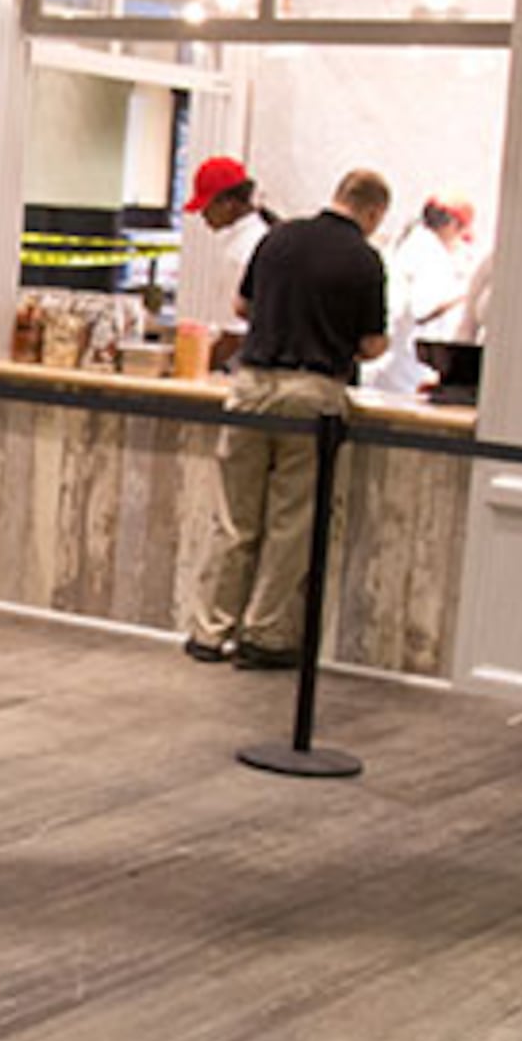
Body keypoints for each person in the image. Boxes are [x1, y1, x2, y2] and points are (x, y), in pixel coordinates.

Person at [184, 167, 393, 670]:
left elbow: (242, 304)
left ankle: (209, 631)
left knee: (233, 517)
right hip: (312, 392)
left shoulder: (278, 239)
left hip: (252, 385)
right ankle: (265, 634)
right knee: (290, 523)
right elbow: (371, 344)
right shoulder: (365, 260)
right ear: (372, 212)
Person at [366, 194, 480, 401]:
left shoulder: (413, 243)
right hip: (403, 370)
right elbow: (424, 308)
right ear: (452, 225)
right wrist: (468, 291)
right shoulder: (429, 252)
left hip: (394, 364)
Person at [176, 155, 268, 358]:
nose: (202, 214)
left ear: (228, 203)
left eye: (206, 206)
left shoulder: (241, 250)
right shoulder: (258, 236)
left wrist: (196, 367)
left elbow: (234, 335)